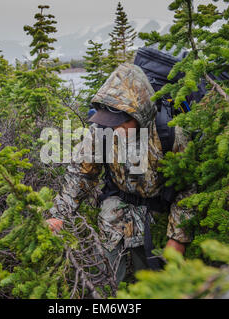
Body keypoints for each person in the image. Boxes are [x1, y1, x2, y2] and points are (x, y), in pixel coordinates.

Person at [46, 63, 193, 284]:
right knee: (108, 281)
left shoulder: (171, 134)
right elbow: (81, 174)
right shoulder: (102, 130)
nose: (115, 129)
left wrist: (178, 238)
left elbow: (188, 189)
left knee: (154, 283)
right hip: (115, 214)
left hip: (158, 217)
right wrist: (59, 214)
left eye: (121, 123)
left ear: (139, 114)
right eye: (110, 123)